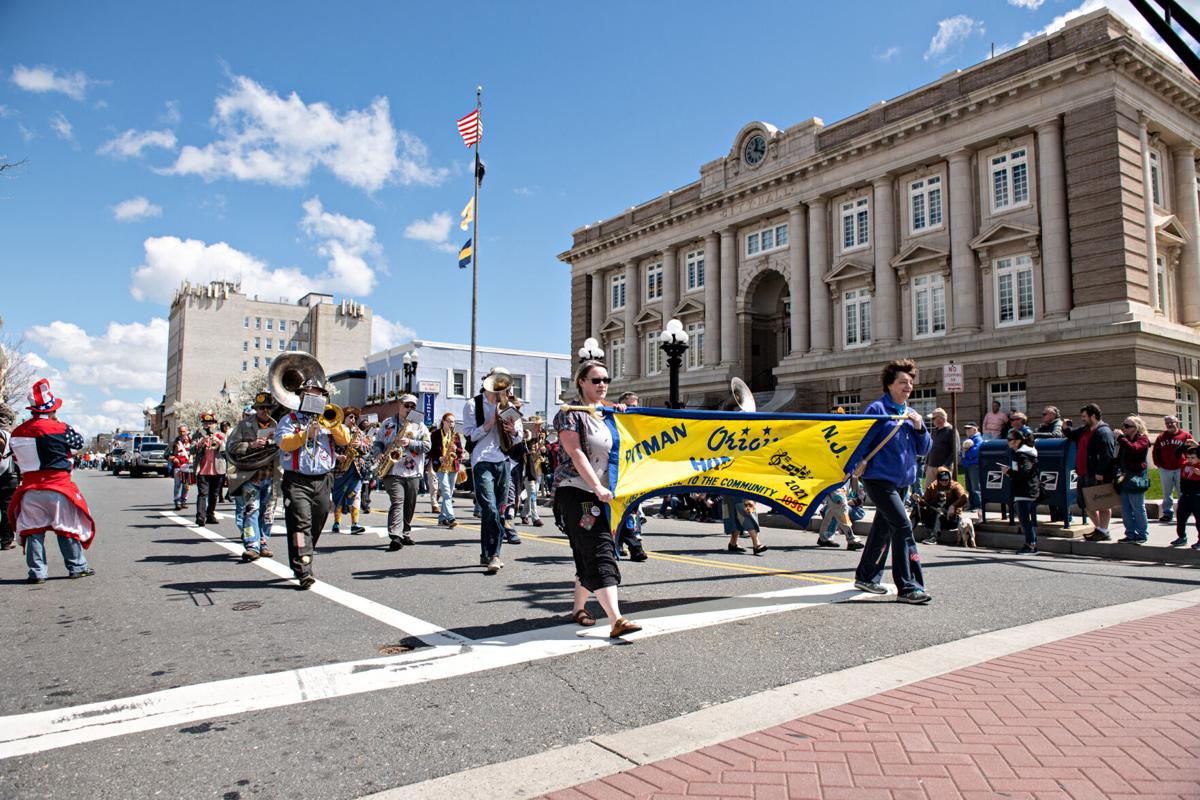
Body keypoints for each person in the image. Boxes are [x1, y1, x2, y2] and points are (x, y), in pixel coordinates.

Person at [553, 360, 640, 638]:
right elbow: (576, 453)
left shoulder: (607, 414)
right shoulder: (570, 414)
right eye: (595, 380)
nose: (602, 384)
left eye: (606, 380)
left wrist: (621, 413)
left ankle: (579, 608)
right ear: (581, 382)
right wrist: (596, 487)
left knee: (585, 550)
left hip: (601, 493)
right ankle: (616, 619)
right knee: (600, 547)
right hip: (578, 490)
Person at [852, 359, 933, 605]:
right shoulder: (877, 410)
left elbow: (924, 449)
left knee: (883, 528)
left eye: (910, 382)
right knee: (902, 527)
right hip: (878, 480)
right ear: (889, 385)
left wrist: (920, 427)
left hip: (902, 481)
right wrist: (850, 469)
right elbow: (859, 442)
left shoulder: (910, 413)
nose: (908, 386)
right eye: (902, 382)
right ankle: (909, 587)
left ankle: (866, 576)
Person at [7, 379, 96, 583]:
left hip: (30, 488)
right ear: (52, 410)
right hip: (58, 486)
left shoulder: (18, 432)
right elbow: (78, 442)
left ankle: (37, 572)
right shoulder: (60, 428)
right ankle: (77, 566)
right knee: (66, 527)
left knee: (33, 530)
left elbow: (15, 457)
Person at [275, 378, 350, 588]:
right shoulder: (289, 419)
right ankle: (303, 567)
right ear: (301, 396)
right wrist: (305, 433)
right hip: (297, 480)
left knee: (318, 520)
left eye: (318, 393)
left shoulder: (329, 417)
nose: (313, 397)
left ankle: (303, 554)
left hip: (324, 479)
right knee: (301, 523)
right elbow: (283, 443)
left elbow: (345, 440)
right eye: (309, 393)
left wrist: (332, 425)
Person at [464, 369, 524, 573]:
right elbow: (470, 436)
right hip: (482, 460)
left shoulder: (510, 406)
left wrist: (513, 431)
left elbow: (520, 438)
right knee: (489, 508)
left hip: (503, 460)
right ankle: (495, 554)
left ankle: (489, 553)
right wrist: (488, 424)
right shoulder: (473, 404)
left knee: (497, 509)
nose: (500, 388)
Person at [372, 394, 431, 551]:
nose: (409, 409)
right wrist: (378, 453)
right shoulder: (388, 423)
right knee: (397, 501)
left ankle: (405, 532)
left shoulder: (420, 426)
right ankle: (395, 536)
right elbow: (377, 442)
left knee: (409, 504)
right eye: (406, 406)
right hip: (392, 470)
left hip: (413, 471)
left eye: (412, 406)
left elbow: (427, 446)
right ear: (400, 405)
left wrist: (410, 443)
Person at [225, 392, 279, 560]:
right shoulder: (244, 425)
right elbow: (230, 446)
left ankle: (263, 543)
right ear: (255, 409)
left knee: (268, 513)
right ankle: (251, 545)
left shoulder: (277, 425)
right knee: (251, 510)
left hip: (271, 476)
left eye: (268, 408)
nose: (265, 411)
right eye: (261, 408)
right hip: (250, 477)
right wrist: (251, 445)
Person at [1065, 403, 1119, 541]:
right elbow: (1072, 435)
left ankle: (1103, 530)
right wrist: (1065, 428)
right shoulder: (1085, 430)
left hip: (1096, 474)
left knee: (1101, 503)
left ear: (1093, 416)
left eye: (1084, 416)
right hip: (1083, 473)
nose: (1082, 419)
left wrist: (1101, 471)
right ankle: (1100, 529)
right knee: (1086, 504)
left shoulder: (1104, 432)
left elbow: (1107, 454)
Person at [330, 407, 371, 535]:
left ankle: (355, 524)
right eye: (350, 417)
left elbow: (368, 448)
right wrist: (338, 456)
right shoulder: (336, 431)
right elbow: (329, 447)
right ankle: (336, 522)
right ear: (344, 418)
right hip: (340, 468)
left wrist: (360, 445)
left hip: (356, 468)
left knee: (355, 494)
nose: (353, 419)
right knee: (339, 495)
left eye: (354, 417)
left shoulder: (359, 432)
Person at [1001, 429, 1040, 554]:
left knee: (1024, 519)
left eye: (1010, 440)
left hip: (1025, 490)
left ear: (1018, 441)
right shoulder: (1024, 453)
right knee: (1027, 519)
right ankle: (1032, 543)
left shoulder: (1022, 454)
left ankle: (1030, 545)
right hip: (1027, 489)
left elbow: (1025, 472)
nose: (1008, 442)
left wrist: (1009, 472)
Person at [1115, 415, 1151, 544]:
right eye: (1123, 425)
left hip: (1136, 478)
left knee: (1138, 507)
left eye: (1127, 426)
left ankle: (1142, 534)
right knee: (1125, 508)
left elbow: (1134, 449)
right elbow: (1119, 459)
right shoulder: (1125, 440)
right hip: (1124, 477)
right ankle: (1130, 533)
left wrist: (1120, 437)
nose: (1124, 428)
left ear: (1137, 428)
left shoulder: (1143, 439)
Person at [913, 467, 969, 545]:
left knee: (939, 510)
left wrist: (953, 506)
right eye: (942, 480)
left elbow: (964, 498)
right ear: (938, 479)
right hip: (933, 517)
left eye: (946, 480)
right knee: (917, 509)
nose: (944, 482)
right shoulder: (933, 486)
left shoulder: (955, 486)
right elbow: (925, 502)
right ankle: (906, 531)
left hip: (950, 518)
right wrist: (918, 500)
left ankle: (933, 537)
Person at [1152, 415, 1192, 524]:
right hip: (1165, 468)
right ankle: (1167, 513)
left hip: (1181, 468)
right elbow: (1155, 451)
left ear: (1177, 422)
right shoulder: (1161, 437)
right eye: (1167, 423)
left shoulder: (1185, 435)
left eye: (1171, 422)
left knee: (1182, 492)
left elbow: (1192, 450)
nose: (1169, 425)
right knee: (1166, 492)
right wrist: (1158, 464)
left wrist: (1189, 464)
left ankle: (1183, 513)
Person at [429, 412, 464, 529]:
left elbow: (460, 452)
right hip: (440, 466)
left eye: (453, 421)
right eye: (449, 421)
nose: (451, 423)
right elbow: (430, 450)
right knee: (446, 491)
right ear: (443, 421)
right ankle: (450, 517)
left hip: (453, 466)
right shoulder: (435, 434)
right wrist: (438, 457)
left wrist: (456, 449)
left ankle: (442, 518)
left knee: (449, 492)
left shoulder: (456, 435)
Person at [191, 413, 225, 527]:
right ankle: (200, 516)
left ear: (215, 424)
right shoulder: (197, 434)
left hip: (217, 469)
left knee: (214, 494)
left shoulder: (221, 434)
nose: (208, 425)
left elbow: (227, 449)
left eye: (210, 423)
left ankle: (210, 514)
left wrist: (218, 441)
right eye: (206, 423)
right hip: (203, 469)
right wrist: (201, 441)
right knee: (202, 494)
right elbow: (191, 450)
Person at [817, 476, 864, 550]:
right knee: (842, 511)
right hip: (836, 483)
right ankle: (851, 539)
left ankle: (824, 538)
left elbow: (860, 497)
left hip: (839, 483)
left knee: (831, 512)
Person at [1170, 441, 1200, 548]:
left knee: (1199, 520)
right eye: (1189, 457)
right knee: (1181, 518)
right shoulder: (1184, 464)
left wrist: (1197, 446)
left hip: (1197, 496)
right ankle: (1182, 537)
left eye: (1193, 457)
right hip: (1185, 496)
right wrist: (1184, 445)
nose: (1190, 460)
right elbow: (1177, 453)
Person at [0, 405, 20, 551]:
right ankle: (7, 540)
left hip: (7, 474)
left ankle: (6, 538)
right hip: (8, 475)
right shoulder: (11, 436)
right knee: (7, 508)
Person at [923, 408, 958, 489]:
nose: (932, 421)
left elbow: (955, 451)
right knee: (928, 490)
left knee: (943, 491)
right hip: (931, 466)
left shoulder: (951, 431)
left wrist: (946, 466)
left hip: (944, 467)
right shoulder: (934, 431)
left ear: (941, 418)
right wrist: (927, 462)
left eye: (933, 418)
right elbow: (930, 447)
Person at [960, 422, 983, 516]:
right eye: (966, 429)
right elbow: (961, 452)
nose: (967, 431)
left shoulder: (978, 439)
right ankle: (972, 505)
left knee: (975, 486)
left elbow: (975, 452)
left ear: (975, 429)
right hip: (967, 465)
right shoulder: (968, 439)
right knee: (969, 487)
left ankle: (978, 505)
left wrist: (966, 450)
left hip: (974, 465)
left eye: (969, 429)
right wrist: (964, 451)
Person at [169, 425, 193, 510]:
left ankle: (183, 500)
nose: (182, 433)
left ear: (186, 431)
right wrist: (173, 458)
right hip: (177, 466)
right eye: (180, 431)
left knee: (186, 485)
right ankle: (177, 501)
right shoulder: (174, 442)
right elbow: (167, 454)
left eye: (183, 431)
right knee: (177, 484)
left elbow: (194, 451)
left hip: (187, 465)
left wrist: (192, 457)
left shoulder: (191, 441)